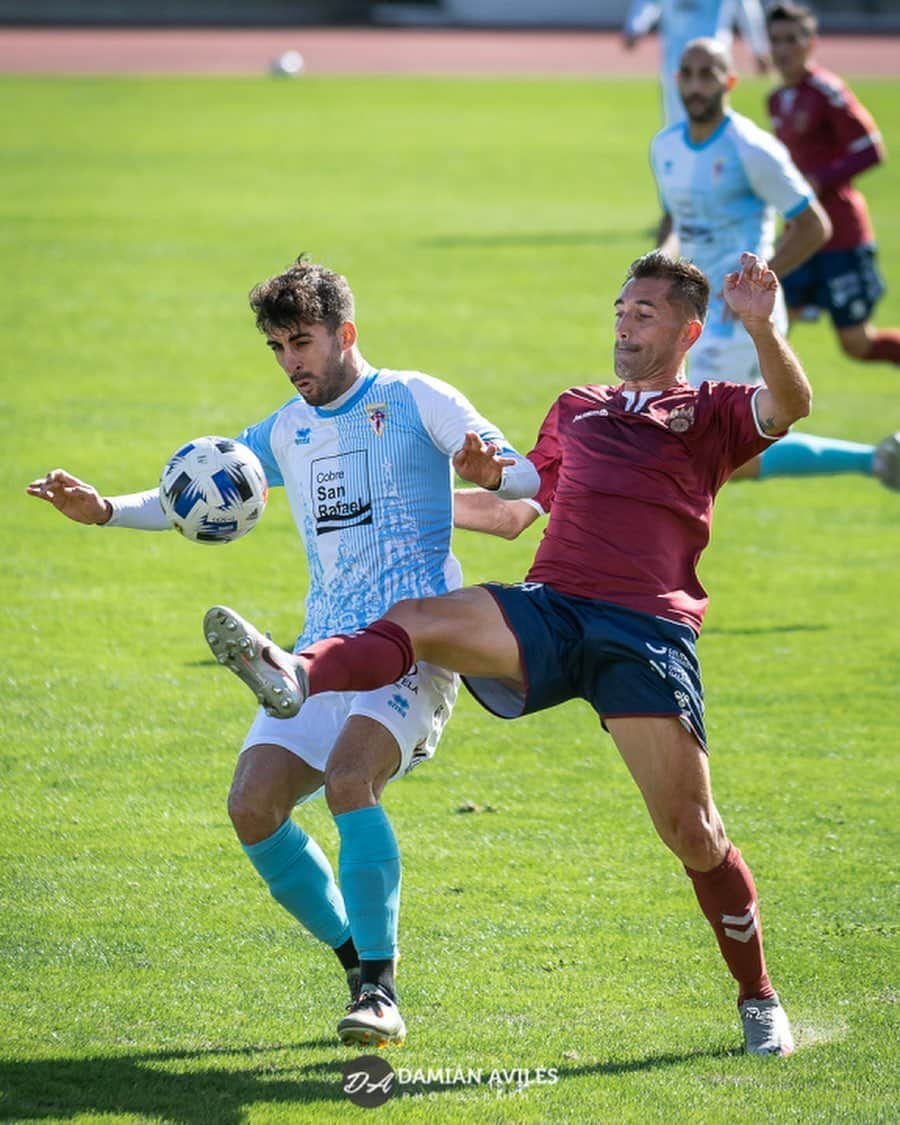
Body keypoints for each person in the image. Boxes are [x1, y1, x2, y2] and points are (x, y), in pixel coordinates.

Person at [205, 249, 804, 1057]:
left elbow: (790, 402)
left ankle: (757, 994)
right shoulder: (577, 407)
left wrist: (764, 326)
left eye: (645, 313)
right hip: (552, 611)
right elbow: (522, 504)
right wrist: (435, 484)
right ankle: (302, 671)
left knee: (693, 831)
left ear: (689, 329)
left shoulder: (714, 410)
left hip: (644, 633)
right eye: (621, 308)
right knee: (418, 615)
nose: (625, 324)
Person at [26, 256, 538, 1049]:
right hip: (318, 653)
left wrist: (490, 471)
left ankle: (382, 987)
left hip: (415, 646)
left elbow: (525, 478)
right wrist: (102, 511)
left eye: (302, 341)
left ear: (346, 333)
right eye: (277, 347)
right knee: (252, 805)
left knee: (348, 779)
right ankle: (355, 966)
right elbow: (195, 491)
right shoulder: (286, 429)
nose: (292, 361)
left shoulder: (415, 397)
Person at [652, 36, 899, 486]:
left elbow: (813, 224)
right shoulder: (665, 146)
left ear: (729, 81)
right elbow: (676, 221)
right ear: (676, 80)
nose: (695, 85)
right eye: (687, 74)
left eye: (707, 74)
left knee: (694, 449)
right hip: (691, 315)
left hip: (738, 322)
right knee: (724, 457)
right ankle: (879, 460)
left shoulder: (751, 148)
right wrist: (656, 266)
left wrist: (756, 288)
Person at [766, 2, 900, 367]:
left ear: (810, 43)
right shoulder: (776, 100)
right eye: (775, 40)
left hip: (842, 234)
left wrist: (818, 180)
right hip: (802, 233)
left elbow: (871, 150)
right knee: (768, 327)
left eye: (792, 39)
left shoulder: (828, 92)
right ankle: (747, 419)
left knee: (856, 343)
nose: (783, 49)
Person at [623, 0, 771, 127]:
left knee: (713, 115)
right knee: (676, 118)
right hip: (677, 58)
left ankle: (716, 158)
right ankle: (681, 159)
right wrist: (635, 26)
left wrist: (759, 48)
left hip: (712, 60)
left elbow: (746, 7)